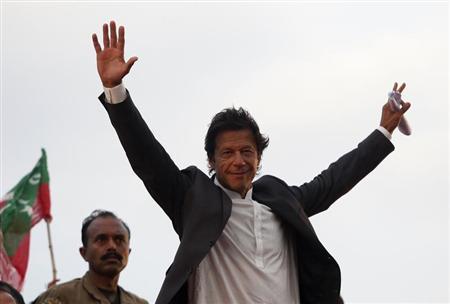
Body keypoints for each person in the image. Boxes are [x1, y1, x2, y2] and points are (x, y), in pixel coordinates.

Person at [92, 21, 411, 304]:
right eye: (227, 153)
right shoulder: (192, 199)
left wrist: (383, 131)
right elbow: (148, 159)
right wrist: (115, 91)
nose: (239, 161)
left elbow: (333, 181)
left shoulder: (280, 200)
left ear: (259, 158)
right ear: (212, 161)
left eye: (247, 151)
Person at [33, 210, 148, 304]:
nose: (112, 246)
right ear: (84, 253)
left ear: (129, 252)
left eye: (119, 240)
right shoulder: (60, 297)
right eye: (101, 239)